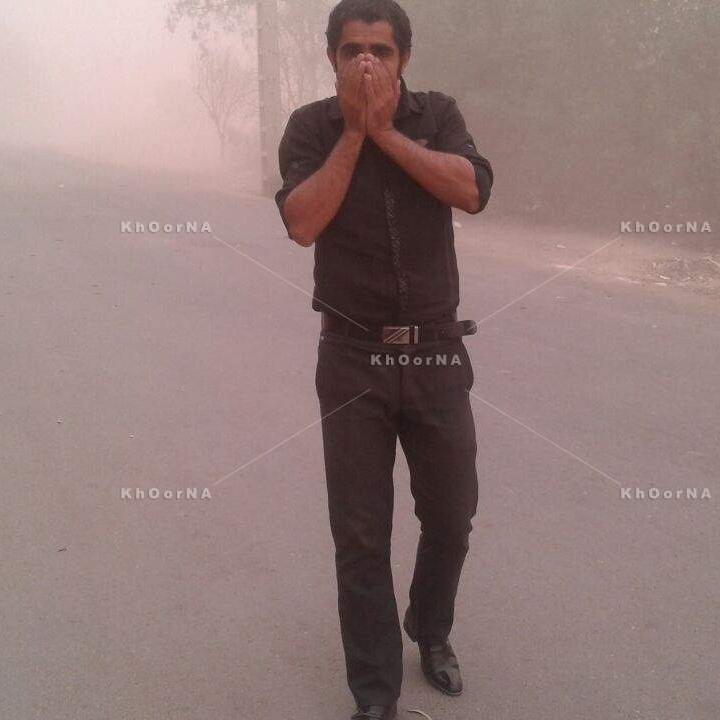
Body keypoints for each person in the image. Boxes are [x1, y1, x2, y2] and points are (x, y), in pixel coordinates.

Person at [273, 1, 494, 718]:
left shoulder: (438, 115)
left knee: (452, 515)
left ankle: (429, 628)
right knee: (361, 535)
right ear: (331, 59)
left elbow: (472, 190)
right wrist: (352, 135)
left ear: (404, 59)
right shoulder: (311, 128)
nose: (366, 62)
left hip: (436, 353)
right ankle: (375, 693)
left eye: (381, 50)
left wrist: (387, 133)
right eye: (351, 51)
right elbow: (302, 222)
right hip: (352, 357)